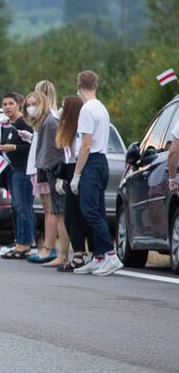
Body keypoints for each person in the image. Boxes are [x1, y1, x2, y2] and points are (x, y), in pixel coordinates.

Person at [70, 71, 123, 275]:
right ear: (96, 85)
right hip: (102, 161)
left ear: (79, 85)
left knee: (90, 211)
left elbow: (85, 144)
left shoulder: (87, 109)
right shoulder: (101, 107)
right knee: (98, 210)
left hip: (91, 162)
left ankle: (110, 254)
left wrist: (76, 174)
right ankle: (99, 255)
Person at [26, 88, 68, 266]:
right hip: (46, 168)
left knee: (57, 213)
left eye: (34, 104)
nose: (30, 108)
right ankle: (56, 252)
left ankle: (57, 252)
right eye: (28, 105)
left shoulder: (51, 121)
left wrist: (59, 175)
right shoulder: (43, 122)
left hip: (53, 170)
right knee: (54, 212)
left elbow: (61, 149)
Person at [54, 96, 92, 272]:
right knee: (70, 216)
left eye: (64, 107)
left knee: (82, 214)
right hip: (70, 170)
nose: (61, 110)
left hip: (80, 170)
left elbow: (78, 152)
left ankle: (90, 253)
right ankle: (78, 253)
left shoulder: (80, 127)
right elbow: (66, 155)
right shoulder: (66, 128)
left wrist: (75, 176)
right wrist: (62, 177)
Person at [0, 92, 35, 258]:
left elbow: (32, 148)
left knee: (23, 207)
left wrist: (13, 148)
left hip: (23, 171)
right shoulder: (8, 125)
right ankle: (20, 240)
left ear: (19, 104)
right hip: (11, 171)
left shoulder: (25, 124)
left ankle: (25, 244)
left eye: (10, 104)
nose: (7, 107)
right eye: (4, 104)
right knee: (16, 207)